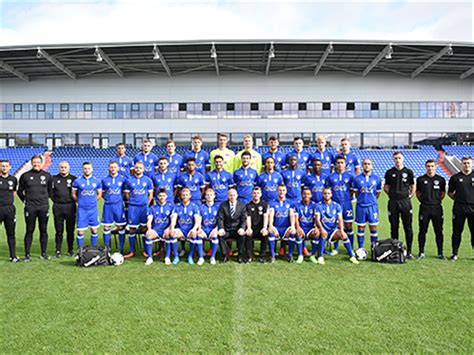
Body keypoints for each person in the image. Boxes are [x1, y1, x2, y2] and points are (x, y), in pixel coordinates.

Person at [18, 155, 52, 261]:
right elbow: (20, 191)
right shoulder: (25, 176)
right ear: (32, 163)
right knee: (29, 230)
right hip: (30, 207)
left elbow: (50, 191)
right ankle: (27, 254)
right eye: (34, 162)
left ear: (41, 163)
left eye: (38, 162)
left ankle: (43, 253)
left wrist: (44, 200)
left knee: (43, 230)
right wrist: (25, 200)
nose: (36, 164)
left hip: (43, 207)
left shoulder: (47, 175)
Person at [384, 151, 416, 259]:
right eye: (396, 158)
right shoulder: (389, 172)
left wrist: (410, 195)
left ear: (403, 159)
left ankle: (409, 251)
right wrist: (392, 195)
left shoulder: (409, 172)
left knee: (408, 227)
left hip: (405, 202)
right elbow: (386, 187)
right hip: (393, 202)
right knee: (394, 227)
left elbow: (412, 185)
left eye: (399, 158)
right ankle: (395, 250)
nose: (398, 160)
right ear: (393, 160)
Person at [315, 188, 359, 265]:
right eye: (325, 193)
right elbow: (317, 220)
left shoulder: (336, 206)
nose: (327, 195)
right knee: (323, 234)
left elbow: (340, 219)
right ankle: (320, 257)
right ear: (322, 194)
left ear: (331, 194)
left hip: (333, 231)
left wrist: (342, 230)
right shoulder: (318, 205)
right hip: (323, 230)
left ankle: (352, 256)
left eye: (328, 193)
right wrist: (322, 229)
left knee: (344, 235)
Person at [416, 160, 446, 260]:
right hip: (424, 208)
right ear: (425, 167)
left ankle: (440, 253)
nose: (430, 168)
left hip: (437, 208)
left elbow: (442, 193)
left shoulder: (441, 179)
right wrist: (425, 201)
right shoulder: (420, 179)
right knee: (422, 231)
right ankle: (421, 252)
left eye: (432, 166)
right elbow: (418, 193)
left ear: (435, 167)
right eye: (428, 166)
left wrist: (436, 201)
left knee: (439, 231)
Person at [123, 161, 154, 258]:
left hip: (144, 207)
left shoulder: (148, 180)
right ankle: (132, 251)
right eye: (136, 168)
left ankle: (145, 250)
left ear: (143, 169)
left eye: (140, 168)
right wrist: (132, 202)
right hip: (133, 207)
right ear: (134, 169)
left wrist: (146, 204)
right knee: (132, 229)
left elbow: (150, 195)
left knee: (145, 228)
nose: (138, 169)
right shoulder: (129, 180)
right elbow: (127, 194)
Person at [325, 156, 355, 254]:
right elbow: (327, 191)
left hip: (347, 204)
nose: (340, 164)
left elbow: (352, 191)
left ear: (345, 164)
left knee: (349, 226)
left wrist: (346, 198)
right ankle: (335, 248)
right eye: (338, 163)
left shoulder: (350, 177)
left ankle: (351, 247)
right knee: (336, 225)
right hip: (335, 204)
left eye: (342, 162)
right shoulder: (330, 177)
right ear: (335, 164)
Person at [352, 159, 382, 249]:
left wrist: (371, 200)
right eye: (365, 164)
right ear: (362, 166)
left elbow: (378, 193)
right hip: (360, 206)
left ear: (371, 166)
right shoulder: (357, 179)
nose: (367, 166)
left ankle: (374, 248)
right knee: (361, 228)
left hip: (372, 207)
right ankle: (360, 248)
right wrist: (362, 200)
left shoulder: (377, 179)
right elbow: (356, 193)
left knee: (373, 228)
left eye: (369, 164)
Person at [447, 156, 473, 261]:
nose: (466, 165)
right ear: (461, 164)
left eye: (468, 163)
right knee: (457, 231)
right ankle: (455, 253)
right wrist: (458, 199)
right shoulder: (455, 178)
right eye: (464, 163)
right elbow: (450, 193)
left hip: (473, 208)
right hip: (459, 208)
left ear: (472, 164)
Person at [72, 162, 102, 249]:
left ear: (92, 169)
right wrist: (80, 202)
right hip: (82, 210)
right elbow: (73, 194)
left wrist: (92, 202)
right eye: (85, 168)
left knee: (94, 229)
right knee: (80, 232)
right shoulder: (77, 181)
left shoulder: (97, 181)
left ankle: (93, 248)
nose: (87, 170)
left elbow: (99, 195)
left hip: (93, 210)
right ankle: (80, 250)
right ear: (82, 169)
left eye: (89, 168)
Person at [50, 160, 77, 257]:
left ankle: (70, 249)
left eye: (65, 167)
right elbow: (50, 192)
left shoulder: (74, 179)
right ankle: (58, 250)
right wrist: (56, 201)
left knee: (70, 230)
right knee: (59, 230)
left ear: (69, 168)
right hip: (58, 207)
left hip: (70, 206)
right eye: (62, 167)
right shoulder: (54, 178)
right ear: (59, 168)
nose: (63, 169)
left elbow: (77, 193)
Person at [169, 188, 202, 265]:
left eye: (186, 195)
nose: (185, 196)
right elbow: (173, 218)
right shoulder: (177, 206)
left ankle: (190, 256)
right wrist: (172, 228)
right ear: (181, 196)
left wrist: (194, 229)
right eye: (183, 195)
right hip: (181, 230)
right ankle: (176, 257)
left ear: (190, 196)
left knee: (194, 234)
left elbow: (197, 220)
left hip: (190, 229)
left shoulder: (194, 206)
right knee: (173, 233)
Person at [101, 161, 126, 250]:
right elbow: (102, 193)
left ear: (118, 168)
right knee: (107, 226)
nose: (113, 169)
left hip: (119, 206)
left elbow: (125, 192)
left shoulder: (123, 179)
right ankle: (107, 247)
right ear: (108, 168)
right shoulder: (104, 180)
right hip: (108, 206)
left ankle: (121, 248)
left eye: (115, 167)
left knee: (120, 227)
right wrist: (109, 200)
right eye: (111, 167)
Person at [217, 188, 247, 263]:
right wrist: (221, 228)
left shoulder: (242, 206)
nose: (232, 197)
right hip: (227, 229)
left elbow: (244, 219)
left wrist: (242, 228)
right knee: (220, 236)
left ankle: (240, 256)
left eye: (234, 195)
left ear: (237, 195)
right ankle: (225, 256)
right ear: (227, 196)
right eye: (230, 195)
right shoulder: (223, 205)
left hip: (237, 230)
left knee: (242, 236)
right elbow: (220, 218)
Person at [145, 188, 173, 265]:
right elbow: (149, 220)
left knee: (168, 234)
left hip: (165, 230)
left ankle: (167, 257)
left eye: (163, 196)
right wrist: (149, 229)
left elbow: (173, 220)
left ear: (166, 196)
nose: (161, 197)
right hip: (156, 230)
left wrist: (169, 228)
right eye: (160, 196)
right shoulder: (152, 208)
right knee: (148, 235)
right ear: (157, 196)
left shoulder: (171, 207)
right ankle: (149, 257)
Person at [268, 185, 296, 263]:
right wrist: (271, 225)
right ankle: (272, 255)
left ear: (286, 191)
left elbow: (291, 215)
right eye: (280, 190)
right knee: (270, 232)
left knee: (293, 232)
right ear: (277, 191)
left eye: (283, 190)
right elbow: (271, 214)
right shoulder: (272, 202)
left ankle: (290, 255)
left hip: (285, 228)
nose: (281, 192)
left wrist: (292, 226)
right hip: (276, 227)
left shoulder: (290, 203)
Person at [0, 160, 19, 262]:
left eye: (6, 166)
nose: (4, 168)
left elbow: (14, 192)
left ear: (10, 167)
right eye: (2, 166)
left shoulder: (13, 179)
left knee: (11, 234)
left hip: (10, 209)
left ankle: (13, 256)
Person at [295, 187, 320, 264]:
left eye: (308, 194)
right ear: (301, 194)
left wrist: (316, 227)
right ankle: (300, 255)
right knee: (298, 233)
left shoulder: (315, 205)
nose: (306, 195)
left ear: (311, 195)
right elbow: (296, 218)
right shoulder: (297, 205)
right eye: (304, 194)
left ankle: (312, 255)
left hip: (310, 228)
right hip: (301, 228)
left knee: (317, 233)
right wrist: (298, 227)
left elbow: (317, 218)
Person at [245, 186, 269, 263]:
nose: (256, 195)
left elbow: (265, 216)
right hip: (252, 228)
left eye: (258, 193)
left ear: (261, 194)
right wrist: (249, 228)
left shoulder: (264, 204)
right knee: (248, 235)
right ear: (252, 194)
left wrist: (265, 228)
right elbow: (248, 217)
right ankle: (250, 256)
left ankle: (262, 256)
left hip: (261, 228)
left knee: (265, 235)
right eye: (254, 193)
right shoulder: (248, 205)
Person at [198, 188, 220, 265]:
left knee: (215, 236)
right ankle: (201, 258)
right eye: (207, 195)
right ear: (205, 196)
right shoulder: (201, 207)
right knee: (199, 235)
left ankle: (212, 257)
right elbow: (199, 220)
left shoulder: (218, 207)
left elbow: (220, 220)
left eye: (211, 195)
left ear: (214, 196)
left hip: (213, 229)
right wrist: (199, 229)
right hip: (204, 229)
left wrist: (216, 229)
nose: (209, 196)